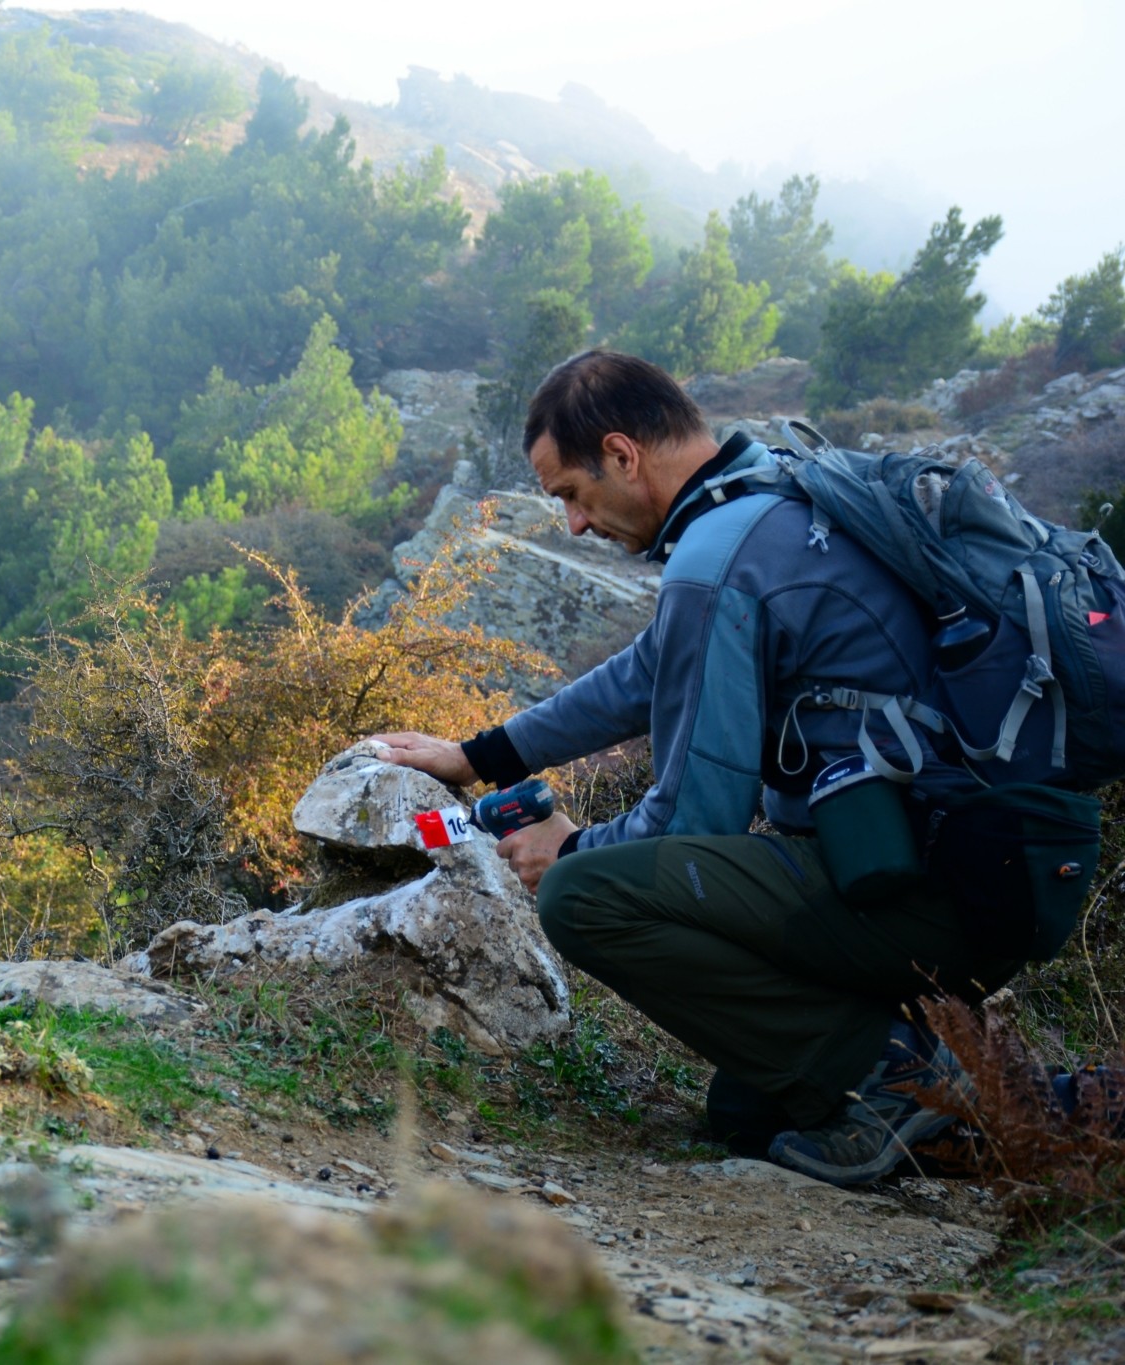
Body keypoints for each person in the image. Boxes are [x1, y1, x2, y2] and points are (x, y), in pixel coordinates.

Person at [372, 350, 1013, 1186]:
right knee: (747, 1108)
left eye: (570, 492)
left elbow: (689, 825)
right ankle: (952, 1100)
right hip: (979, 876)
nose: (572, 523)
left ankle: (894, 1076)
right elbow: (648, 670)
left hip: (921, 895)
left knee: (587, 897)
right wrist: (478, 755)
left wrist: (569, 851)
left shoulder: (718, 553)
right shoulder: (777, 498)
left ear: (623, 455)